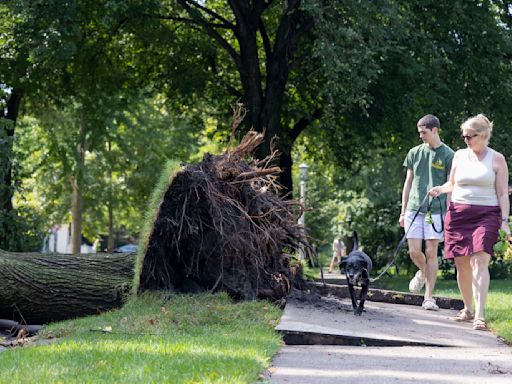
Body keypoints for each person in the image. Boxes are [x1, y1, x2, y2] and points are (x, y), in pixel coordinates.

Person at [429, 114, 510, 331]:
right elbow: (452, 184)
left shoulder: (496, 159)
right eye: (463, 136)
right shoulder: (459, 156)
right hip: (458, 214)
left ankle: (480, 316)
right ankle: (467, 308)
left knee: (479, 262)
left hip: (487, 215)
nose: (465, 140)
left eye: (469, 136)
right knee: (462, 264)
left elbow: (503, 193)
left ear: (482, 135)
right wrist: (440, 189)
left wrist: (504, 221)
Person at [400, 114, 454, 310]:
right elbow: (408, 183)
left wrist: (449, 213)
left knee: (431, 252)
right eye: (419, 132)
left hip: (436, 210)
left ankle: (429, 298)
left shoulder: (449, 155)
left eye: (424, 132)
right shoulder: (414, 152)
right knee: (414, 252)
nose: (421, 136)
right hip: (414, 208)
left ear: (435, 130)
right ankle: (423, 272)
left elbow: (451, 185)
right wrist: (402, 210)